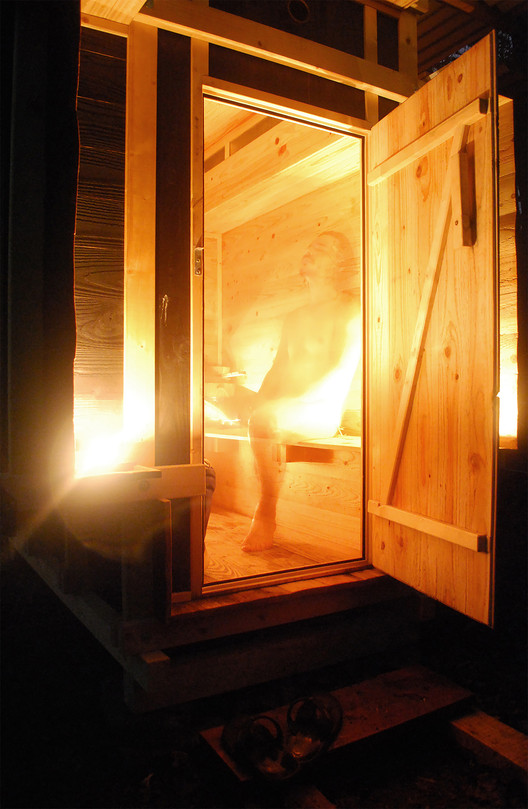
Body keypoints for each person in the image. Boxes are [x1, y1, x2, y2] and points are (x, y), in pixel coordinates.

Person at [242, 231, 361, 552]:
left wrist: (284, 404)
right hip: (285, 408)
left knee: (265, 418)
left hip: (321, 410)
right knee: (251, 413)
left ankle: (266, 509)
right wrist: (253, 401)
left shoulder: (349, 309)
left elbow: (339, 370)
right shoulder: (293, 318)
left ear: (337, 264)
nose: (308, 252)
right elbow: (277, 370)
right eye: (308, 246)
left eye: (319, 248)